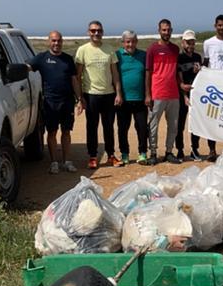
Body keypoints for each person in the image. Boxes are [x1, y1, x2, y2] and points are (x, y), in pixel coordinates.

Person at [75, 20, 123, 169]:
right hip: (91, 95)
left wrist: (118, 93)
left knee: (108, 126)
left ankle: (111, 155)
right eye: (93, 30)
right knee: (92, 126)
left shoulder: (109, 50)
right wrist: (79, 98)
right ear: (88, 32)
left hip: (108, 94)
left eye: (99, 30)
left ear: (103, 32)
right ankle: (93, 156)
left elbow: (115, 74)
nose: (96, 33)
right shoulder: (82, 50)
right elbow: (77, 76)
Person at [31, 31, 81, 174]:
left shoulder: (67, 59)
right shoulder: (41, 58)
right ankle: (54, 163)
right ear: (49, 41)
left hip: (67, 101)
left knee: (66, 131)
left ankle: (67, 162)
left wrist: (79, 99)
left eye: (59, 41)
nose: (56, 43)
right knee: (52, 132)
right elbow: (27, 67)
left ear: (62, 41)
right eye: (53, 40)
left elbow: (74, 80)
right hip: (50, 102)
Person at [199, 14, 223, 161]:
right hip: (213, 87)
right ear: (215, 26)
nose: (221, 28)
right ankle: (212, 151)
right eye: (219, 25)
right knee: (212, 119)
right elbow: (206, 62)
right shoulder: (208, 43)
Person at [145, 19, 182, 164]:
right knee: (153, 125)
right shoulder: (152, 49)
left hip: (173, 94)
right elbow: (148, 72)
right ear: (159, 30)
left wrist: (181, 85)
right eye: (164, 30)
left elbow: (176, 71)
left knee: (173, 125)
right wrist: (148, 94)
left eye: (168, 30)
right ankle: (153, 153)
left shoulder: (175, 49)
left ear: (171, 30)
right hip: (157, 93)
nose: (166, 32)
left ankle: (168, 152)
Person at [115, 30, 148, 166]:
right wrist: (118, 94)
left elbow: (148, 76)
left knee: (142, 128)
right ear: (123, 42)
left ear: (137, 42)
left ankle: (142, 153)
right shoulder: (117, 55)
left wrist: (148, 95)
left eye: (133, 41)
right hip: (123, 99)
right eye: (128, 41)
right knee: (122, 128)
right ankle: (124, 154)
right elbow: (113, 75)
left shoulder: (143, 55)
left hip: (140, 98)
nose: (131, 44)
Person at [176, 29, 204, 161]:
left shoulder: (198, 57)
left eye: (192, 42)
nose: (190, 45)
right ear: (183, 43)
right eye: (188, 42)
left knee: (195, 124)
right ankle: (180, 150)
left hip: (196, 95)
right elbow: (179, 78)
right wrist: (184, 96)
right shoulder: (179, 57)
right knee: (180, 124)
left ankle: (195, 149)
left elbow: (201, 76)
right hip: (182, 95)